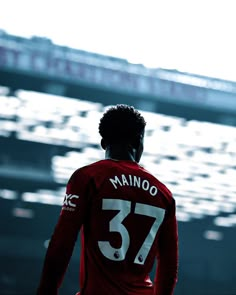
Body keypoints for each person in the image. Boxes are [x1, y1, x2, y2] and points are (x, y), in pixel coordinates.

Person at [37, 104, 178, 295]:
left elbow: (62, 243)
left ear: (103, 143)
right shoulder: (164, 194)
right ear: (138, 141)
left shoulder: (87, 177)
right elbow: (169, 266)